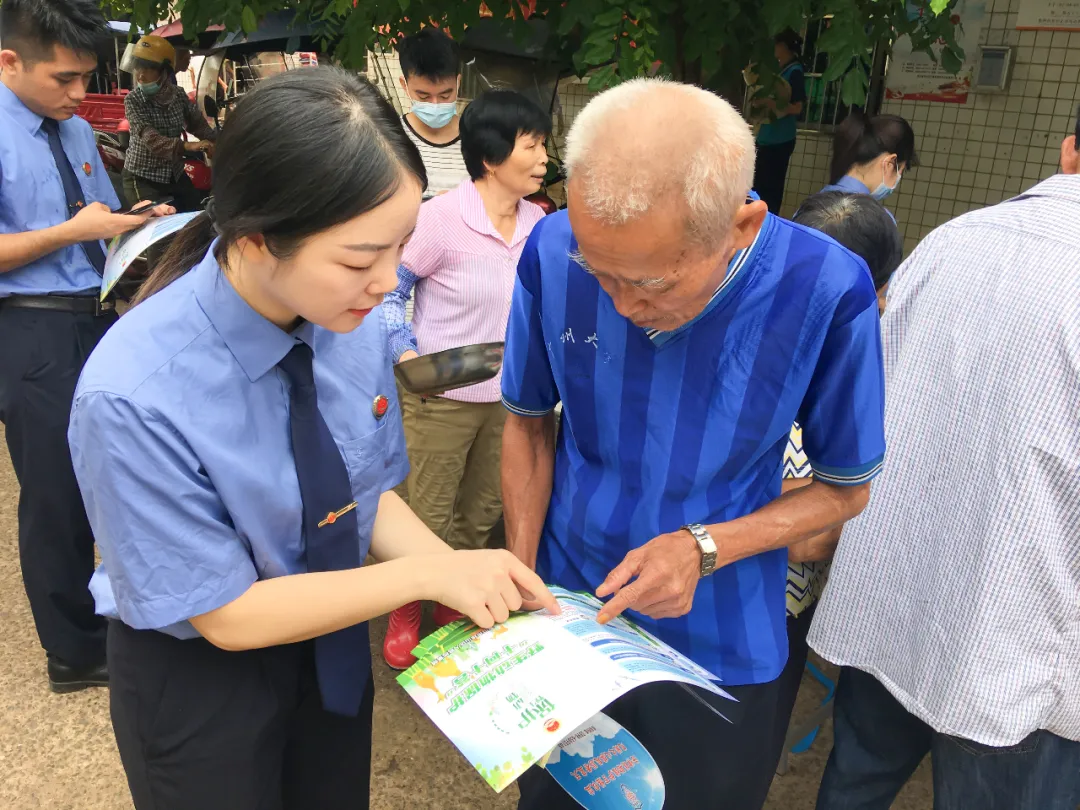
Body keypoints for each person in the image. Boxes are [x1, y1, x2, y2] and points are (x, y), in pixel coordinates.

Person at [67, 67, 557, 810]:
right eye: (361, 260)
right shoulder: (134, 394)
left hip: (331, 639)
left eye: (401, 248)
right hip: (205, 679)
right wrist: (425, 581)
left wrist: (466, 572)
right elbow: (225, 614)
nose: (387, 282)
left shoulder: (349, 325)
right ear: (260, 237)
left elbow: (364, 495)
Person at [500, 78, 886, 810]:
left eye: (650, 285)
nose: (619, 305)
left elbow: (846, 487)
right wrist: (523, 577)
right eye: (600, 273)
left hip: (722, 641)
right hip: (569, 616)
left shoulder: (828, 289)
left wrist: (705, 547)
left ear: (741, 227)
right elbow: (526, 422)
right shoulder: (552, 251)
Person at [809, 117, 1080, 810]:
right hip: (1018, 640)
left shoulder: (954, 239)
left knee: (854, 787)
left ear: (1069, 149)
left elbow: (879, 394)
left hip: (893, 597)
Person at [0, 0, 170, 693]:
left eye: (88, 79)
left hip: (95, 315)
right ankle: (72, 649)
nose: (80, 96)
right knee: (55, 490)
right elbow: (69, 230)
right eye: (65, 79)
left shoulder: (70, 132)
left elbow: (93, 218)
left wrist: (138, 224)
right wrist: (73, 234)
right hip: (30, 326)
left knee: (117, 467)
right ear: (9, 61)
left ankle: (120, 612)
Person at [380, 89, 551, 670]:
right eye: (533, 145)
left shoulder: (540, 224)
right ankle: (408, 606)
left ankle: (453, 598)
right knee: (426, 513)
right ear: (493, 157)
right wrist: (403, 353)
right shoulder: (441, 219)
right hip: (440, 397)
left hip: (508, 401)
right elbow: (390, 291)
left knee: (481, 512)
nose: (545, 156)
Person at [770, 191, 902, 751]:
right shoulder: (855, 357)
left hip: (767, 595)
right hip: (762, 601)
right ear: (877, 290)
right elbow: (808, 538)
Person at [122, 34, 216, 212]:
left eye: (148, 69)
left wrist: (219, 141)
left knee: (196, 215)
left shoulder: (179, 95)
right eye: (138, 68)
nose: (141, 75)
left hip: (173, 172)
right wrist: (191, 146)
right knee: (155, 226)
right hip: (142, 176)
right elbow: (152, 140)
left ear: (164, 71)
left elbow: (198, 125)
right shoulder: (133, 100)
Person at [396, 27, 470, 198]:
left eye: (445, 95)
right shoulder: (391, 138)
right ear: (404, 85)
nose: (435, 104)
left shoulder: (477, 138)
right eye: (423, 96)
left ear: (458, 83)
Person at [752, 29, 805, 214]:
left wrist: (771, 103)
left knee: (770, 189)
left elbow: (797, 107)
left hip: (780, 140)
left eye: (776, 44)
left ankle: (766, 225)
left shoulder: (795, 72)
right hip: (767, 137)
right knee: (758, 186)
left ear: (783, 46)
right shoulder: (781, 70)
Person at [819, 108, 917, 208]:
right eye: (900, 170)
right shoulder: (876, 218)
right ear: (889, 164)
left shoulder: (813, 204)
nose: (897, 178)